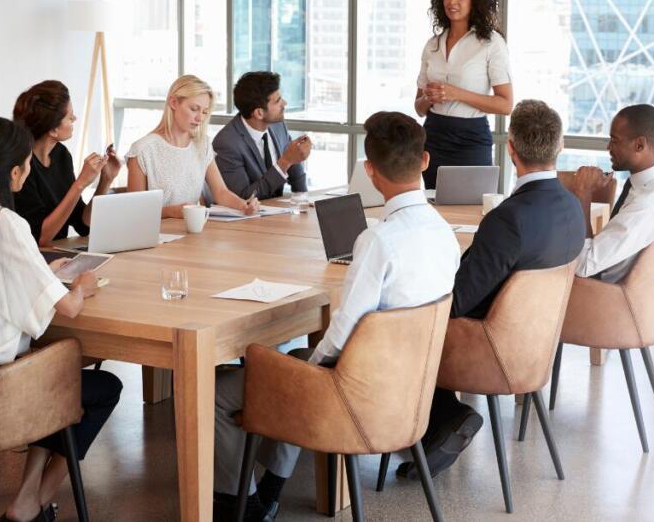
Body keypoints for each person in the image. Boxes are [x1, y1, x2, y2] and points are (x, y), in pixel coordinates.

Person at [211, 112, 461, 521]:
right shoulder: (443, 232)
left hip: (355, 395)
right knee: (297, 364)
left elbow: (343, 332)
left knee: (222, 389)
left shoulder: (378, 239)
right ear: (425, 161)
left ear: (369, 171)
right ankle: (267, 494)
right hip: (411, 389)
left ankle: (239, 507)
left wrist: (309, 370)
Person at [0, 117, 122, 522]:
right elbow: (67, 310)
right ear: (15, 171)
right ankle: (35, 500)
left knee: (55, 376)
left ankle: (26, 501)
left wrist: (41, 274)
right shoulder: (8, 224)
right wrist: (81, 285)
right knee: (100, 386)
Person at [397, 99, 585, 480]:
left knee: (398, 321)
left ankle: (447, 415)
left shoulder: (508, 219)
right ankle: (440, 418)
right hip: (533, 344)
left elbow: (459, 300)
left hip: (486, 346)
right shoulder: (571, 207)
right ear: (560, 146)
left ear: (510, 149)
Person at [415, 0, 514, 189]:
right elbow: (419, 108)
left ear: (473, 1)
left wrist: (455, 93)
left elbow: (505, 104)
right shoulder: (432, 45)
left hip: (471, 139)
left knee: (472, 209)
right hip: (433, 137)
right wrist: (429, 98)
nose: (452, 2)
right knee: (436, 207)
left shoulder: (491, 43)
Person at [567, 104, 654, 283]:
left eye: (615, 140)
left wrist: (583, 193)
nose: (608, 147)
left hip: (598, 292)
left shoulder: (646, 206)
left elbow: (583, 266)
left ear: (639, 145)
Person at [126, 75, 260, 218]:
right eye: (194, 109)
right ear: (173, 103)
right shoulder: (143, 150)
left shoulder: (202, 145)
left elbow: (221, 192)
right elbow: (135, 211)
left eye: (204, 112)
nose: (200, 118)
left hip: (193, 231)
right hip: (157, 235)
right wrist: (171, 212)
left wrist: (244, 206)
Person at [12, 80, 121, 247]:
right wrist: (80, 184)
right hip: (35, 258)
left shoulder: (61, 155)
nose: (75, 119)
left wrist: (105, 180)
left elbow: (83, 225)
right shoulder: (22, 167)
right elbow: (40, 238)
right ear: (53, 129)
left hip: (57, 254)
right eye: (70, 117)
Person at [213, 71, 310, 200]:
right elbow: (244, 197)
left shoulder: (277, 125)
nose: (284, 103)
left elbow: (294, 167)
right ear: (259, 113)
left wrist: (304, 200)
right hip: (248, 218)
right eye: (278, 101)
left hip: (279, 214)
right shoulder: (226, 143)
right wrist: (285, 162)